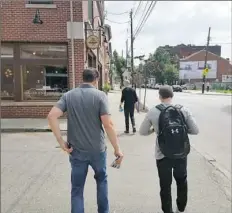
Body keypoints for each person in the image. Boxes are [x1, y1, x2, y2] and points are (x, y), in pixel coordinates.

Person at [47, 68, 123, 213]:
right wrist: (117, 148)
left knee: (77, 189)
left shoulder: (69, 96)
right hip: (97, 151)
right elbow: (108, 124)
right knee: (101, 182)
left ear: (82, 78)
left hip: (76, 151)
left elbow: (52, 116)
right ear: (97, 79)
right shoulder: (100, 96)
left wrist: (61, 142)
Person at [139, 85, 199, 213]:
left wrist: (155, 130)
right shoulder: (183, 110)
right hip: (181, 152)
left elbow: (142, 132)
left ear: (159, 96)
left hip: (162, 154)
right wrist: (181, 130)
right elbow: (195, 130)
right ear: (172, 96)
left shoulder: (153, 111)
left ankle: (167, 210)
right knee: (181, 181)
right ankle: (181, 208)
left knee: (165, 185)